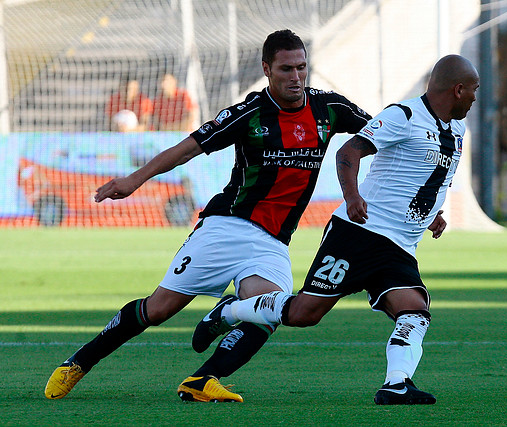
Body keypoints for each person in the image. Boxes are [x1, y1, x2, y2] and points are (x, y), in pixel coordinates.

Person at [44, 29, 371, 402]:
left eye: (301, 67)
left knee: (272, 311)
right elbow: (187, 150)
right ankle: (77, 363)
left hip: (274, 240)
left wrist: (425, 200)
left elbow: (384, 133)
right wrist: (134, 180)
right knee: (159, 308)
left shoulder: (330, 108)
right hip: (227, 228)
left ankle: (202, 379)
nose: (296, 77)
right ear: (266, 69)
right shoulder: (248, 113)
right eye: (286, 69)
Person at [192, 54, 479, 405]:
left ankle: (397, 384)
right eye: (474, 90)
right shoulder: (403, 116)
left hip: (400, 246)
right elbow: (348, 152)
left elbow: (431, 176)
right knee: (303, 314)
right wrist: (353, 196)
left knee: (415, 311)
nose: (476, 98)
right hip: (358, 235)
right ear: (458, 89)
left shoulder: (458, 129)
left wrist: (434, 212)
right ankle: (229, 311)